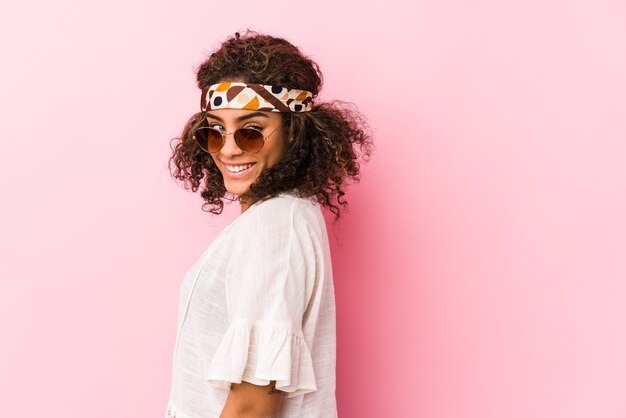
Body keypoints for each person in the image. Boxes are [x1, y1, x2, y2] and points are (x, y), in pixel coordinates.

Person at [166, 30, 372, 418]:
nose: (228, 148)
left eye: (252, 130)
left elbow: (252, 406)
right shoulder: (282, 216)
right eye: (215, 130)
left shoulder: (275, 228)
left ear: (293, 131)